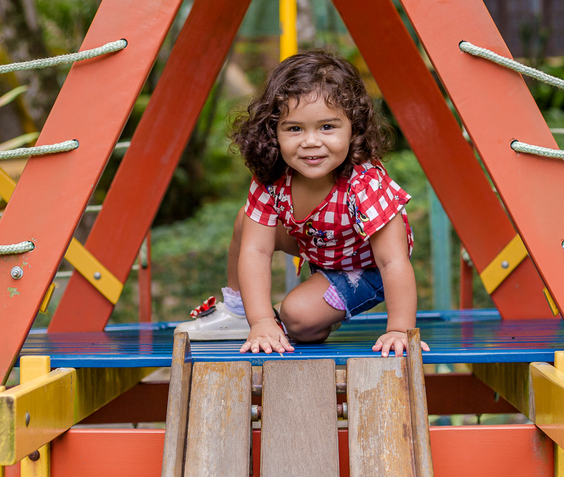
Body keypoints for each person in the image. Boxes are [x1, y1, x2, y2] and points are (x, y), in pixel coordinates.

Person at [176, 49, 428, 357]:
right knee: (247, 221)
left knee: (298, 319)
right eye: (295, 128)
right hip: (320, 243)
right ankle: (239, 312)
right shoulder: (272, 176)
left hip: (366, 265)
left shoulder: (363, 184)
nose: (310, 141)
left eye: (327, 127)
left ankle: (317, 313)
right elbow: (256, 250)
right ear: (274, 131)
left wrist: (399, 329)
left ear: (354, 128)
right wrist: (261, 322)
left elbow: (393, 261)